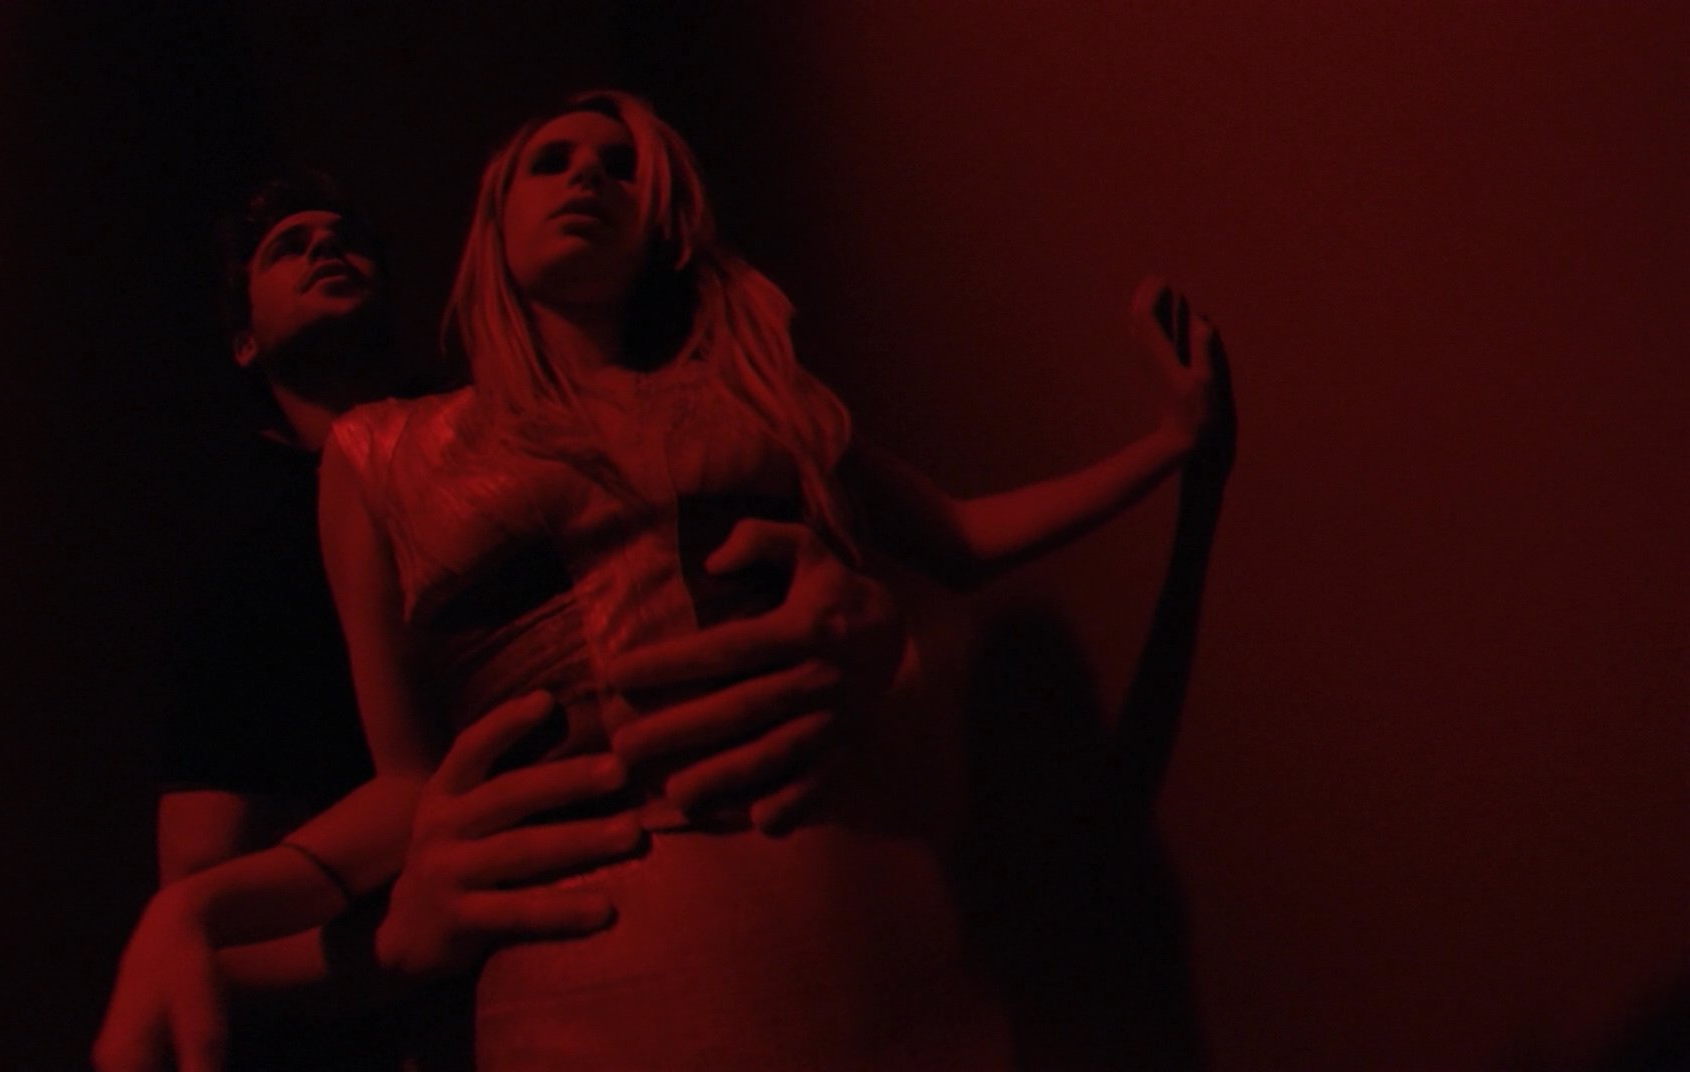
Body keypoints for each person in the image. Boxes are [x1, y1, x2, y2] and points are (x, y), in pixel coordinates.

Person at [310, 90, 1231, 1070]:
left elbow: (959, 534)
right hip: (581, 972)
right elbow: (407, 782)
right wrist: (233, 919)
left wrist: (1171, 445)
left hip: (867, 928)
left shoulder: (758, 400)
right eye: (552, 159)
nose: (586, 176)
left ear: (662, 226)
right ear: (493, 221)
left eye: (621, 167)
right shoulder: (386, 451)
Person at [96, 171, 911, 1072]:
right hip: (446, 1016)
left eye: (346, 236)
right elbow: (202, 927)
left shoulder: (503, 450)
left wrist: (866, 625)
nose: (325, 246)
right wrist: (394, 946)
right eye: (288, 246)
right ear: (243, 341)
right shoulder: (242, 569)